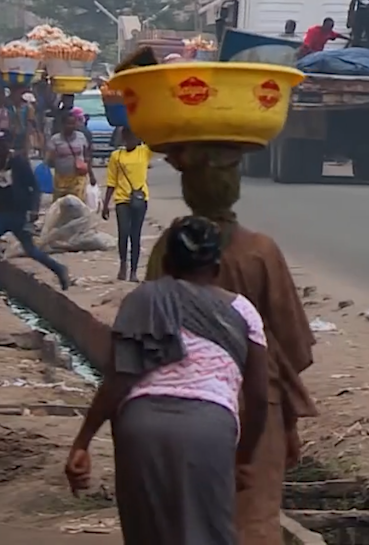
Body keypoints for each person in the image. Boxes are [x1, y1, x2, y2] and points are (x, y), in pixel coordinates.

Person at [142, 145, 315, 545]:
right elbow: (292, 344)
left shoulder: (167, 250)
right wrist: (288, 422)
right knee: (254, 517)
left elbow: (146, 332)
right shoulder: (261, 251)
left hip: (179, 403)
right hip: (256, 405)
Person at [65, 216, 270, 545]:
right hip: (210, 428)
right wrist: (243, 459)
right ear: (217, 266)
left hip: (140, 427)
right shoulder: (243, 312)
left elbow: (118, 378)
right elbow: (259, 398)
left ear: (165, 263)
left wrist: (83, 442)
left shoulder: (143, 299)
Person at [0, 129, 70, 293]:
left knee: (31, 250)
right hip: (0, 213)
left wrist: (34, 210)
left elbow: (34, 187)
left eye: (3, 143)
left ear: (9, 144)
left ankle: (59, 269)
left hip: (18, 214)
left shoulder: (19, 162)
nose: (0, 146)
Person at [101, 127, 153, 282]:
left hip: (140, 199)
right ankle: (123, 265)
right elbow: (111, 182)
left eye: (133, 137)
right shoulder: (116, 156)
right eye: (127, 137)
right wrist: (105, 204)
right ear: (123, 138)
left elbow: (159, 142)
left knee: (135, 235)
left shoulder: (144, 151)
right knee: (123, 233)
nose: (130, 140)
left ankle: (134, 271)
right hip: (122, 200)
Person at [47, 109, 94, 201]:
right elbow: (50, 158)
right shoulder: (55, 140)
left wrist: (91, 175)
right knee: (61, 205)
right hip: (61, 179)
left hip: (78, 178)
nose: (70, 126)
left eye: (73, 123)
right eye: (68, 123)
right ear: (62, 124)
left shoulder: (81, 137)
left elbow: (87, 157)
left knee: (78, 203)